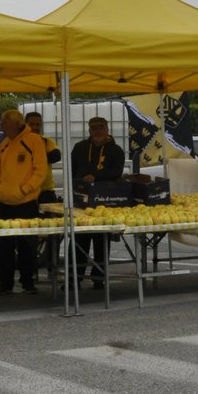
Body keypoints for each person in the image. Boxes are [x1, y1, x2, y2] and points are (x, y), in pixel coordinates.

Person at [0, 108, 47, 294]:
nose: (1, 125)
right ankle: (5, 284)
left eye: (4, 122)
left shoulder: (34, 141)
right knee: (2, 247)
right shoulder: (3, 145)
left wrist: (25, 189)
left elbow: (40, 170)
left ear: (15, 123)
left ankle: (27, 282)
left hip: (26, 203)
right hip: (4, 203)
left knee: (27, 246)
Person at [69, 115, 125, 288]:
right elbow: (71, 170)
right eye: (94, 128)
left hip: (105, 201)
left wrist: (96, 176)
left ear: (107, 129)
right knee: (79, 241)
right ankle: (74, 278)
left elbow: (116, 172)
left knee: (101, 242)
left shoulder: (116, 151)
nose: (98, 131)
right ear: (89, 130)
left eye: (101, 127)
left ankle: (99, 278)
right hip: (81, 201)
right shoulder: (79, 148)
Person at [25, 111, 64, 204]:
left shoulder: (46, 141)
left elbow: (56, 156)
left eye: (38, 124)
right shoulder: (19, 143)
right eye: (31, 124)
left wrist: (33, 157)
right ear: (25, 125)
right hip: (25, 192)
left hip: (46, 192)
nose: (35, 127)